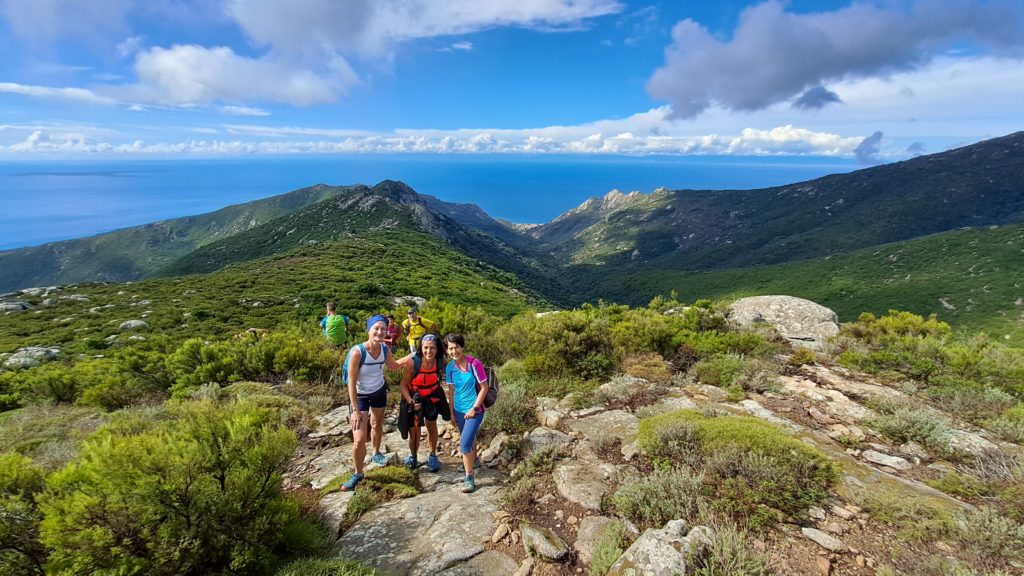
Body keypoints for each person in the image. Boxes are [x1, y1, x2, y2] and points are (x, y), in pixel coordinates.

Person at [339, 314, 405, 491]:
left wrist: (414, 355)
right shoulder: (357, 352)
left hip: (378, 392)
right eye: (376, 328)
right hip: (359, 397)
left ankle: (376, 453)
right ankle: (358, 473)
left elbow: (394, 366)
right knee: (359, 440)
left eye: (383, 328)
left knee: (377, 424)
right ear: (369, 330)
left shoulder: (384, 349)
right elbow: (351, 383)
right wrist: (355, 410)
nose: (380, 331)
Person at [443, 333, 489, 493]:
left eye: (456, 347)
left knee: (464, 445)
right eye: (450, 348)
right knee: (469, 439)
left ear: (462, 347)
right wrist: (452, 414)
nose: (454, 351)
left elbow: (484, 387)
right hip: (458, 410)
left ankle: (469, 478)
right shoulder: (449, 368)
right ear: (447, 351)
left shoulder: (474, 364)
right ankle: (474, 460)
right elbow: (451, 391)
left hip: (475, 410)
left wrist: (474, 408)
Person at [398, 334, 449, 472]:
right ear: (421, 348)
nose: (429, 351)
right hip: (414, 398)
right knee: (414, 431)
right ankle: (413, 456)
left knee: (432, 426)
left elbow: (451, 374)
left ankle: (432, 456)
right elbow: (403, 385)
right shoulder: (413, 362)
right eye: (425, 347)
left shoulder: (440, 361)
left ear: (437, 349)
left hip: (431, 398)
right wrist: (411, 402)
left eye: (432, 348)